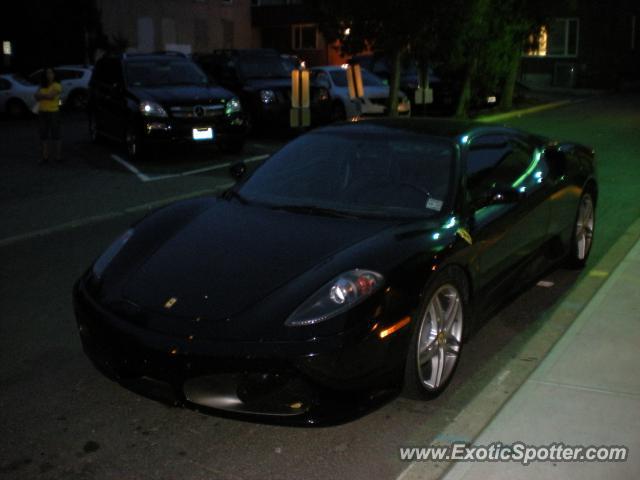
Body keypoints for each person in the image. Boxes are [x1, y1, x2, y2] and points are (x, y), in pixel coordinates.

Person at [34, 67, 62, 164]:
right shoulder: (42, 85)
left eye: (51, 73)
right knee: (43, 135)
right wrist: (44, 96)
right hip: (42, 112)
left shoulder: (57, 85)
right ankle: (45, 156)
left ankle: (58, 156)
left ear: (54, 74)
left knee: (56, 134)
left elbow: (51, 97)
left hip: (53, 112)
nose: (49, 75)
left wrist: (41, 95)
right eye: (47, 73)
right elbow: (35, 96)